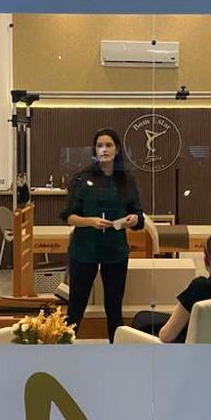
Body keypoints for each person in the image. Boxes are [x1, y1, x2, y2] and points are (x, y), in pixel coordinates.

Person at [61, 128, 145, 342]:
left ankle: (115, 351)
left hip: (115, 251)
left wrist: (134, 219)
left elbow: (138, 215)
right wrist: (90, 221)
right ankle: (63, 352)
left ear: (117, 150)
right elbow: (68, 216)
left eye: (109, 145)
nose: (104, 149)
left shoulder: (127, 180)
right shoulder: (82, 178)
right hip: (85, 250)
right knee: (76, 306)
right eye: (100, 145)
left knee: (114, 307)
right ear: (94, 150)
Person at [131, 230, 211, 343]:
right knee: (144, 317)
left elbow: (166, 336)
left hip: (193, 349)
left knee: (141, 320)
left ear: (207, 260)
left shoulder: (200, 288)